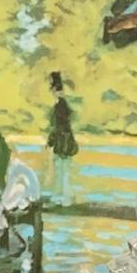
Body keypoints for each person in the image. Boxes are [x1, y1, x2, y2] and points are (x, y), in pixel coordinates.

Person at [46, 71, 79, 206]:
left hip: (62, 142)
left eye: (53, 89)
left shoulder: (60, 106)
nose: (52, 92)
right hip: (64, 141)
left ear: (56, 90)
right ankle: (62, 197)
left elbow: (58, 127)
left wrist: (50, 141)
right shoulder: (62, 105)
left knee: (62, 170)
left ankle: (64, 198)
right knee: (62, 170)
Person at [0, 155, 42, 229]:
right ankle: (1, 214)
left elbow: (10, 187)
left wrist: (3, 202)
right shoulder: (23, 168)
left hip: (29, 197)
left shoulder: (15, 169)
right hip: (31, 197)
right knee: (19, 189)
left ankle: (0, 215)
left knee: (19, 188)